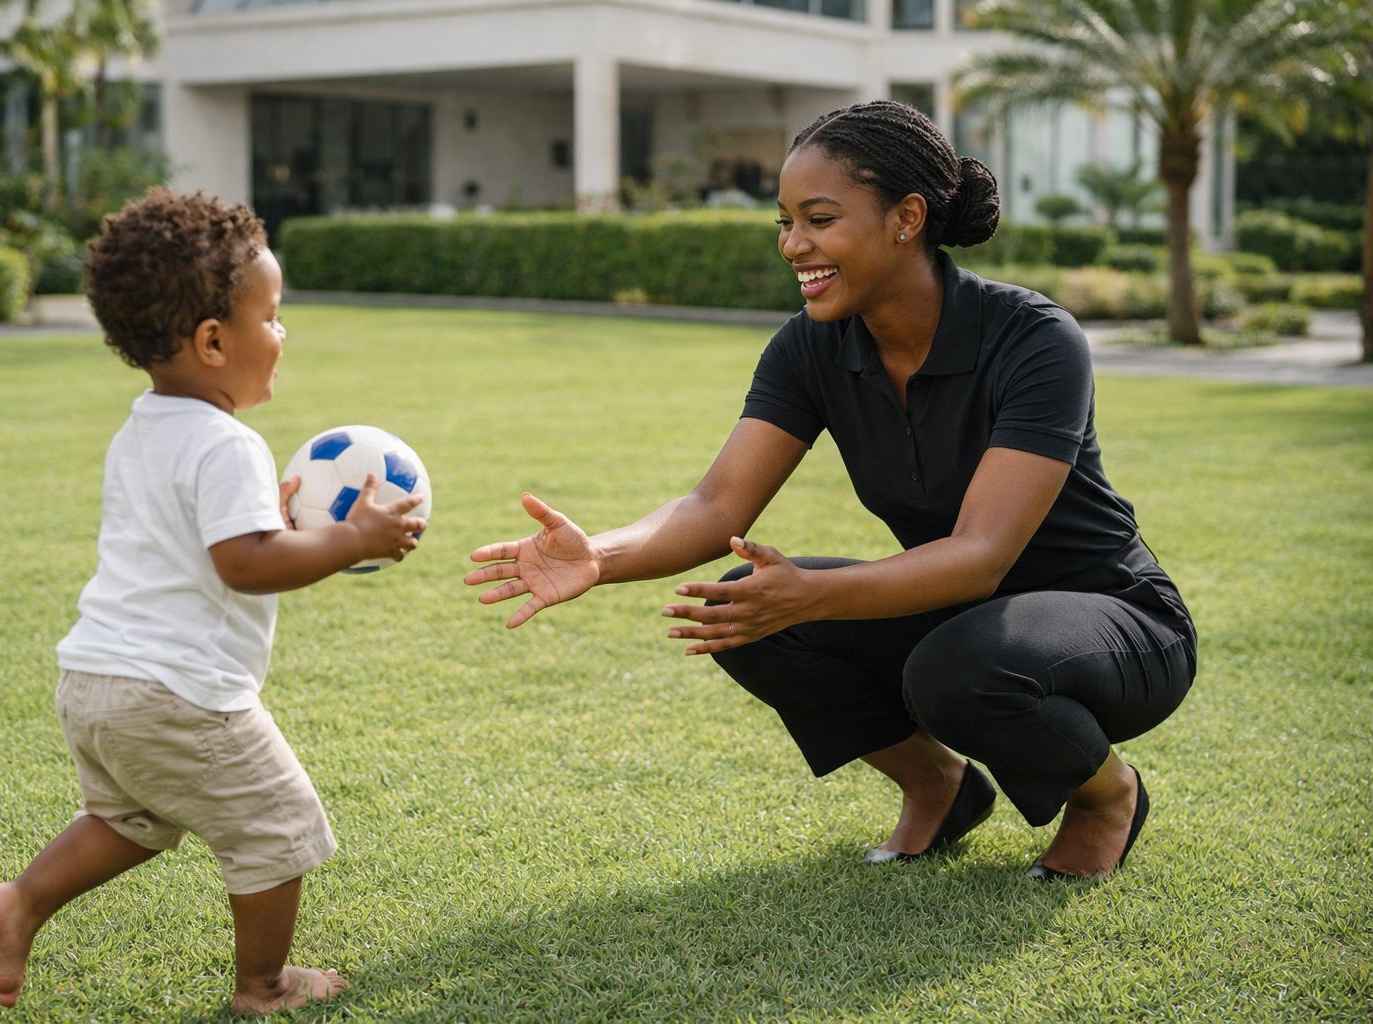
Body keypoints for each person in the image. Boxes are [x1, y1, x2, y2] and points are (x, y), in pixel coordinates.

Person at [466, 101, 1196, 881]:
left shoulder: (1032, 339)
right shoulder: (810, 348)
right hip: (964, 619)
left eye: (818, 218)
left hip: (1118, 625)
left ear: (906, 218)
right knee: (743, 608)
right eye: (783, 221)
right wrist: (599, 557)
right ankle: (937, 784)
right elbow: (716, 508)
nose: (793, 245)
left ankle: (1104, 797)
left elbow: (982, 555)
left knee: (956, 666)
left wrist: (814, 593)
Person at [0, 188, 426, 1013]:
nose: (283, 335)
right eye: (274, 317)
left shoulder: (143, 428)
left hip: (96, 680)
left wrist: (284, 523)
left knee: (129, 820)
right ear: (214, 341)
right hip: (179, 693)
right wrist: (352, 539)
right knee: (279, 829)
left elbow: (201, 542)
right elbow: (244, 563)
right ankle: (266, 984)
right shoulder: (227, 442)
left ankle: (20, 902)